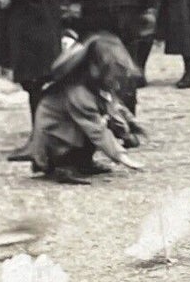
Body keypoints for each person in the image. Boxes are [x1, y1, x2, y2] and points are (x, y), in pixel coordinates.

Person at [28, 33, 146, 184]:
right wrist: (120, 155)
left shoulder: (95, 85)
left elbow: (113, 108)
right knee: (89, 126)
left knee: (95, 123)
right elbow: (96, 129)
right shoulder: (77, 91)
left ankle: (83, 162)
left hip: (68, 135)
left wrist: (127, 130)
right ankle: (62, 166)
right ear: (94, 67)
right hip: (53, 143)